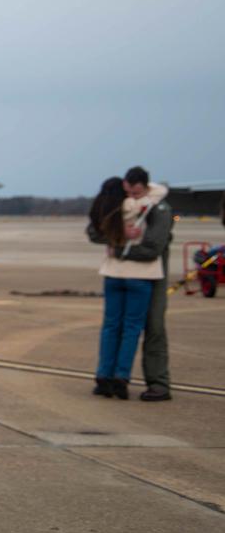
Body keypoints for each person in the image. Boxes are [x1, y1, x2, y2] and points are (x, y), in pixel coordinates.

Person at [87, 166, 174, 401]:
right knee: (132, 328)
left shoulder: (127, 204)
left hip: (117, 273)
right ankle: (119, 378)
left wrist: (116, 247)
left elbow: (95, 230)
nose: (132, 195)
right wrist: (121, 241)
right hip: (141, 275)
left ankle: (110, 377)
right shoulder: (152, 204)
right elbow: (153, 247)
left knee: (116, 326)